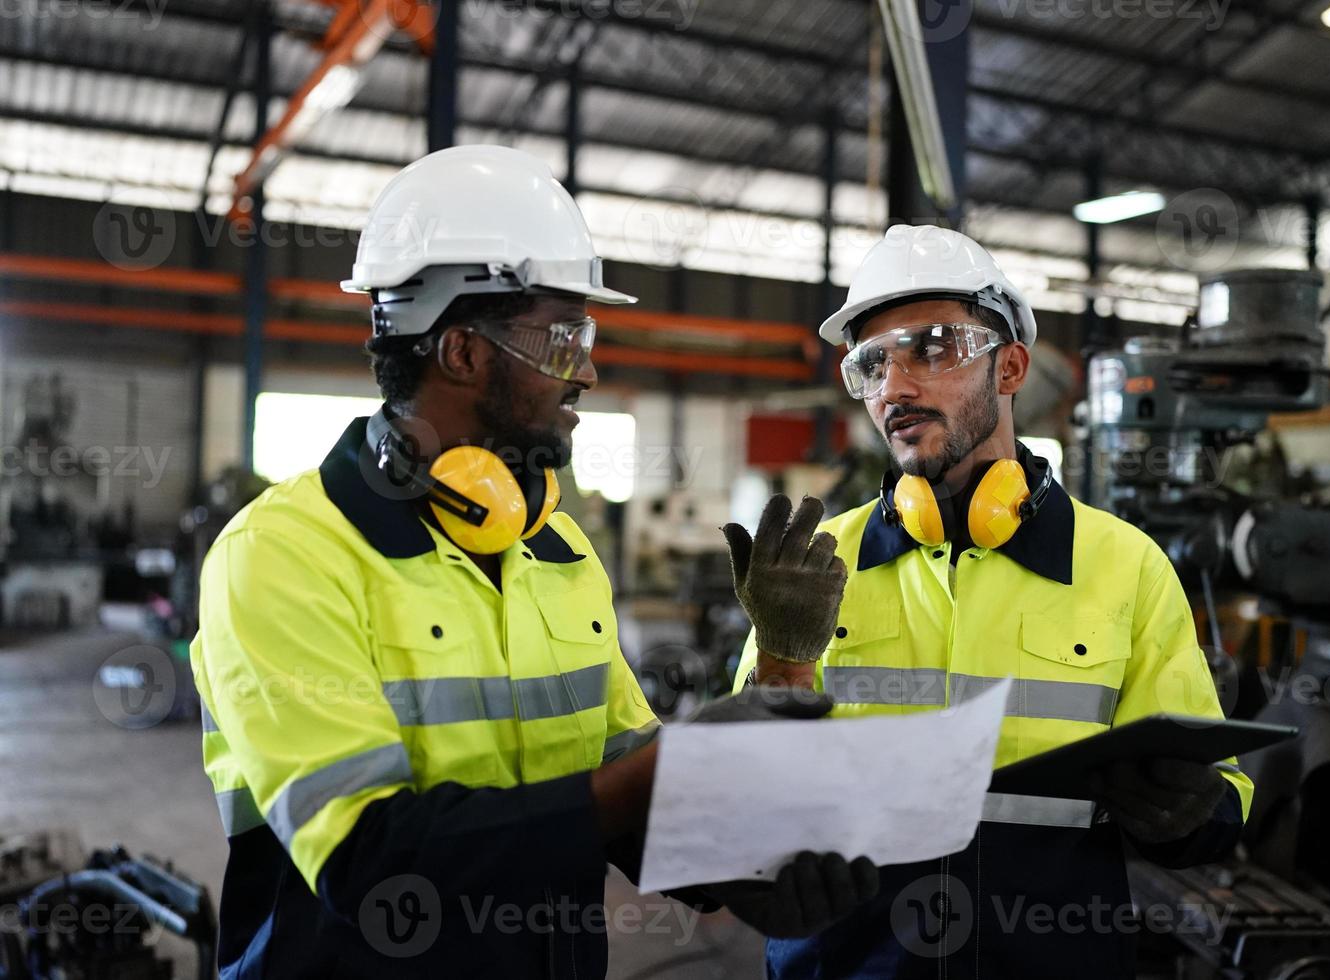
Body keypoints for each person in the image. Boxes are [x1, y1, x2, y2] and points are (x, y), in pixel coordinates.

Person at [190, 145, 875, 979]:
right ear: (462, 352)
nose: (586, 367)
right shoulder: (286, 555)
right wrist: (667, 773)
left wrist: (742, 863)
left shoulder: (553, 548)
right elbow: (369, 862)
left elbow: (625, 784)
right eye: (563, 335)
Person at [726, 224, 1254, 978]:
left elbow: (1219, 808)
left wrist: (1187, 807)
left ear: (1009, 367)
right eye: (871, 363)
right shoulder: (815, 566)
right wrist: (780, 658)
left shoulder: (1123, 566)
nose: (895, 388)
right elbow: (742, 807)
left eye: (933, 348)